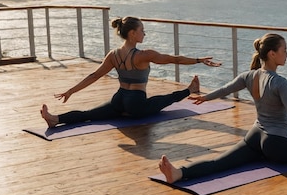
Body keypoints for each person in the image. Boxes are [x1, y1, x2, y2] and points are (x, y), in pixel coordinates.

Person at [158, 33, 287, 183]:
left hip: (255, 136)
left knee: (221, 162)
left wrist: (205, 97)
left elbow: (226, 89)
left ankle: (179, 173)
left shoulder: (249, 76)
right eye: (285, 50)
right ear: (272, 54)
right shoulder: (280, 83)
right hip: (276, 146)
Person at [40, 16, 222, 127]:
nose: (145, 33)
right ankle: (190, 90)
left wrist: (71, 91)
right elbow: (174, 59)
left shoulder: (114, 54)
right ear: (133, 33)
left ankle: (55, 119)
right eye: (142, 30)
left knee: (89, 114)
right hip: (136, 104)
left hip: (119, 99)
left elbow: (94, 76)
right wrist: (199, 60)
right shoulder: (143, 55)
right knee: (163, 100)